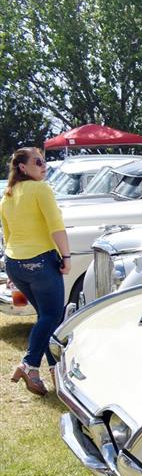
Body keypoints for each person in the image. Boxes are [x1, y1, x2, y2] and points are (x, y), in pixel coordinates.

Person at [1, 147, 69, 396]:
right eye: (38, 162)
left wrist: (10, 273)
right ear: (23, 168)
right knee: (52, 316)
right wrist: (67, 257)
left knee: (45, 317)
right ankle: (29, 365)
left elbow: (7, 235)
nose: (44, 165)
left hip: (14, 262)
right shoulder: (41, 189)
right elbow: (56, 226)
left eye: (44, 161)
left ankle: (55, 374)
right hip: (39, 261)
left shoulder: (7, 194)